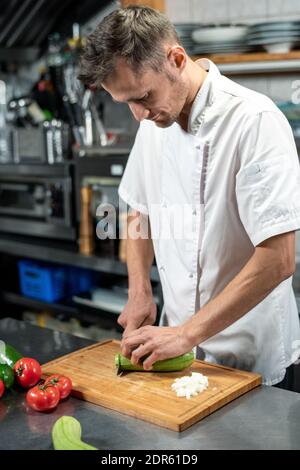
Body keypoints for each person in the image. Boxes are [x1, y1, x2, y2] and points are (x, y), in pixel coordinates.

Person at [79, 6, 300, 388]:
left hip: (251, 355)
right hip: (178, 353)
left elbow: (278, 259)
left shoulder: (254, 121)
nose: (138, 114)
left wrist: (187, 333)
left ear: (176, 59)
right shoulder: (155, 118)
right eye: (126, 102)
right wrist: (140, 292)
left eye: (143, 96)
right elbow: (138, 210)